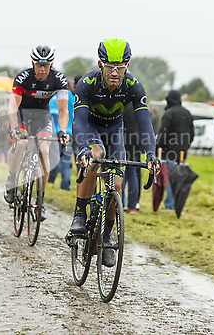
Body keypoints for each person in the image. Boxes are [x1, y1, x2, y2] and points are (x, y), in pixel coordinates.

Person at [70, 38, 157, 267]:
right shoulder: (87, 84)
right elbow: (78, 121)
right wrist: (83, 149)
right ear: (101, 64)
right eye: (110, 66)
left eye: (121, 67)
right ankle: (80, 213)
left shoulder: (134, 86)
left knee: (117, 185)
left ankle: (106, 238)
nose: (115, 72)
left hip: (114, 130)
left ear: (127, 66)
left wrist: (150, 154)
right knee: (95, 154)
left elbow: (145, 123)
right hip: (89, 126)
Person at [3, 45, 69, 222]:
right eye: (39, 65)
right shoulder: (24, 77)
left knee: (44, 151)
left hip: (42, 117)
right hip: (21, 114)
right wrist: (14, 127)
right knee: (22, 143)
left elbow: (63, 111)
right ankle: (11, 181)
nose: (42, 69)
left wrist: (62, 131)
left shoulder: (59, 79)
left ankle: (40, 201)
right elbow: (12, 106)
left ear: (51, 64)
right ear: (33, 62)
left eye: (46, 65)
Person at [156, 89, 194, 210]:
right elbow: (192, 133)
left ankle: (170, 205)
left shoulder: (169, 113)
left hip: (170, 151)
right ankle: (176, 203)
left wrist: (159, 147)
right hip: (183, 151)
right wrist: (186, 145)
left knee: (170, 178)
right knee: (179, 178)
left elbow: (163, 133)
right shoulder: (187, 113)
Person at [47, 76, 77, 191]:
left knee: (59, 159)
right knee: (71, 160)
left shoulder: (58, 99)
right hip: (73, 132)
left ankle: (56, 181)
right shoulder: (75, 98)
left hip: (59, 132)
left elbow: (52, 114)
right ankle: (67, 185)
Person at [122, 103, 145, 213]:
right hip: (137, 143)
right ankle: (132, 205)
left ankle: (121, 204)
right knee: (133, 174)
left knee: (121, 173)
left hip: (125, 142)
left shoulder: (123, 106)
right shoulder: (140, 106)